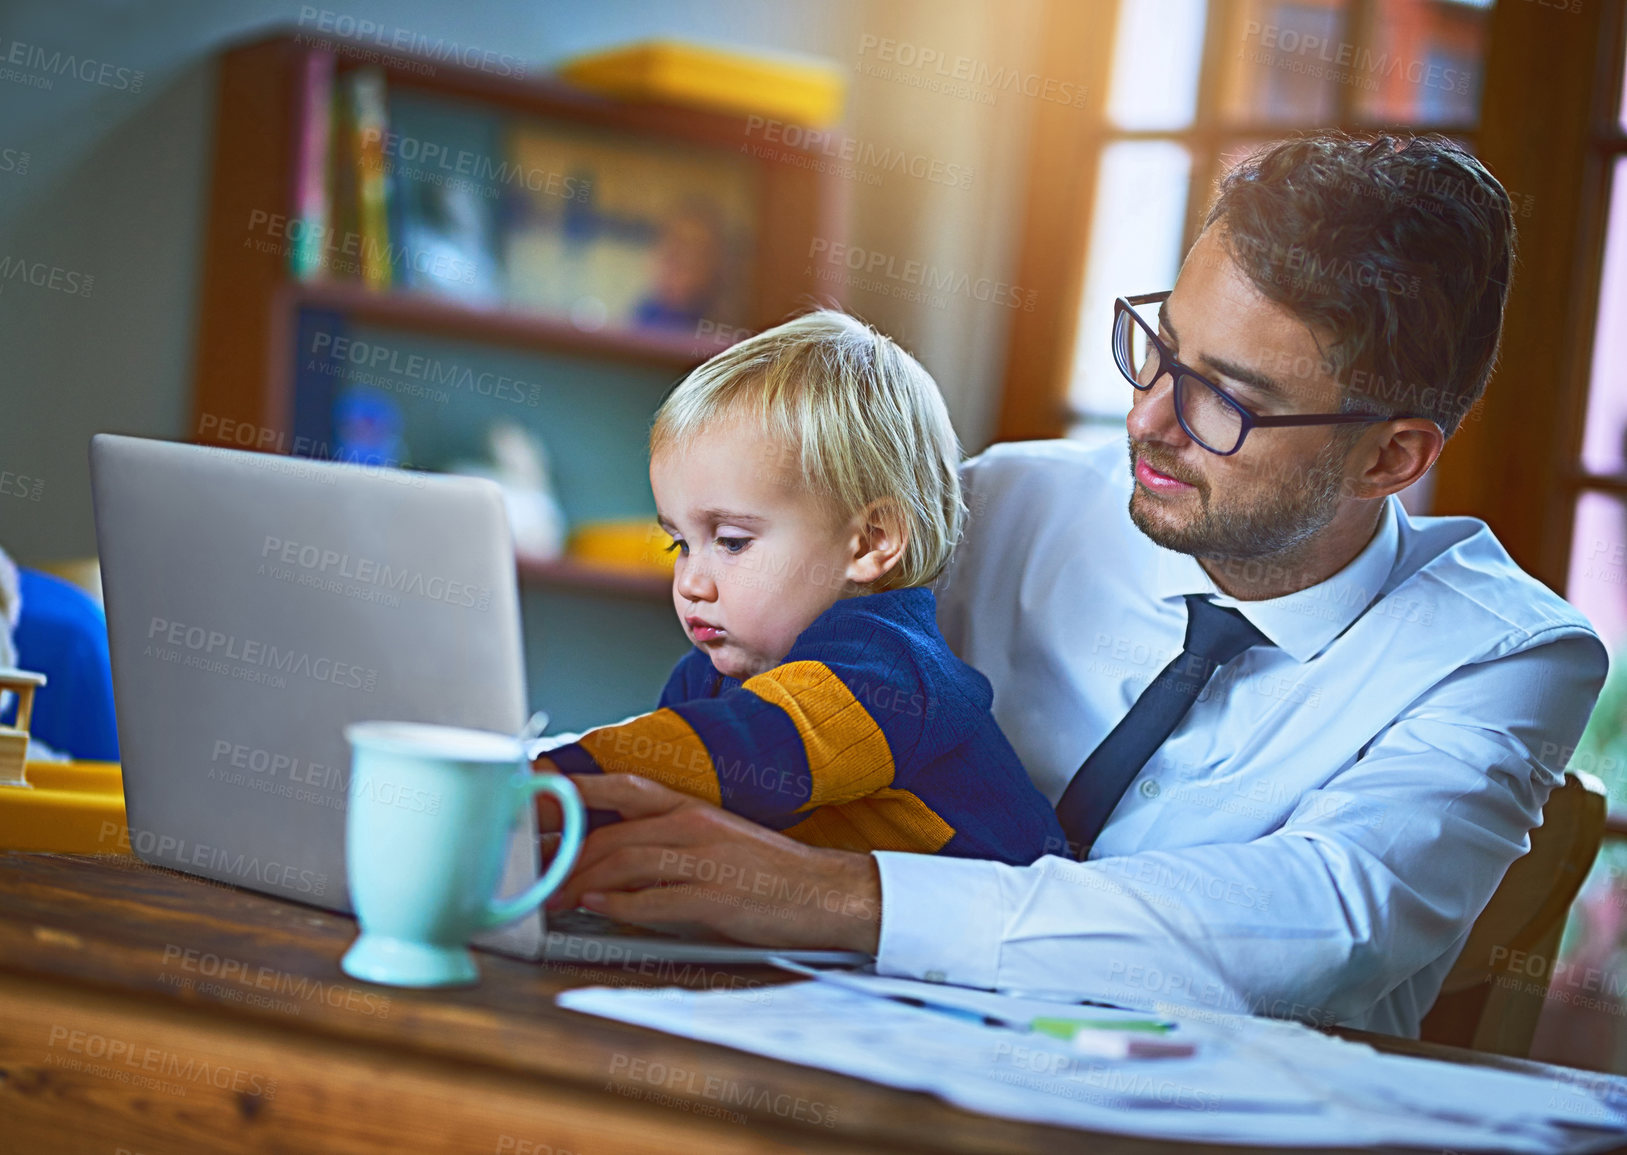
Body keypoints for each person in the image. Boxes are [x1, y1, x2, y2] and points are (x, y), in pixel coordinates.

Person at [545, 132, 1610, 1039]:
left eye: (1225, 402)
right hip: (855, 1066)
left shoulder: (1503, 655)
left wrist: (832, 898)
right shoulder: (1003, 501)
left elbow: (1321, 928)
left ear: (1391, 459)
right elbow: (771, 717)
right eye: (1159, 348)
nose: (1147, 418)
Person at [536, 310, 1068, 867]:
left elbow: (751, 746)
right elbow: (653, 805)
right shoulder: (712, 676)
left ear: (868, 543)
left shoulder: (892, 672)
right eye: (680, 544)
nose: (691, 581)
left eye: (733, 541)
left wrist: (538, 785)